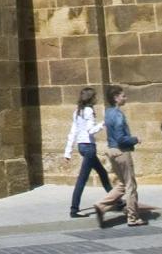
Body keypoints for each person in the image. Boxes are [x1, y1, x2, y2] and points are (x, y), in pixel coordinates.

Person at [94, 86, 143, 228]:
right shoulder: (118, 115)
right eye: (123, 96)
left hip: (112, 151)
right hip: (122, 152)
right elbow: (122, 139)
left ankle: (101, 206)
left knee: (122, 184)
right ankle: (133, 217)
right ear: (116, 98)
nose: (125, 98)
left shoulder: (108, 113)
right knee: (130, 185)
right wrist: (135, 139)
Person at [61, 86, 111, 218]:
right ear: (91, 98)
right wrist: (103, 124)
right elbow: (91, 130)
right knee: (82, 179)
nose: (96, 98)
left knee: (102, 172)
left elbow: (73, 132)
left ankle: (116, 200)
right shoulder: (88, 110)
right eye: (94, 96)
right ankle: (74, 209)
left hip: (82, 146)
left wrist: (68, 152)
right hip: (88, 147)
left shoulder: (77, 111)